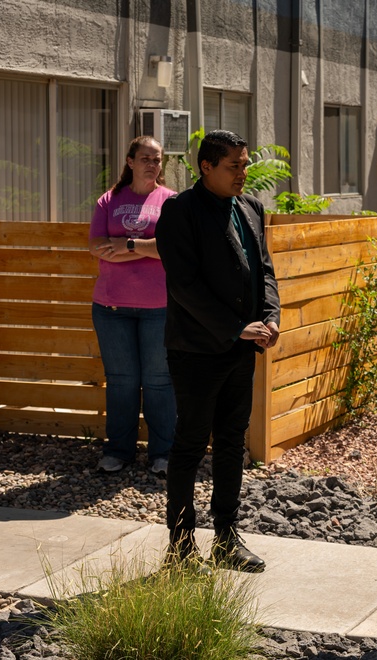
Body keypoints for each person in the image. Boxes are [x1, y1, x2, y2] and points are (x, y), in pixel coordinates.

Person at [155, 129, 280, 573]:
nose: (244, 173)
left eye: (246, 164)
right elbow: (183, 285)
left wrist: (270, 318)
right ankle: (182, 544)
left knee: (231, 443)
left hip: (241, 347)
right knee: (190, 444)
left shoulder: (250, 207)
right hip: (196, 350)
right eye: (235, 166)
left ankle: (227, 538)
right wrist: (234, 329)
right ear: (206, 166)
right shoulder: (179, 211)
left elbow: (264, 271)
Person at [89, 136, 177, 476]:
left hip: (160, 307)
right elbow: (96, 246)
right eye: (145, 158)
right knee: (122, 381)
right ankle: (118, 452)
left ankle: (163, 454)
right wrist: (145, 247)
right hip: (111, 307)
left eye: (157, 159)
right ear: (130, 161)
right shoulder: (109, 200)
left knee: (158, 380)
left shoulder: (171, 201)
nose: (152, 164)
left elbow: (170, 247)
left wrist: (125, 244)